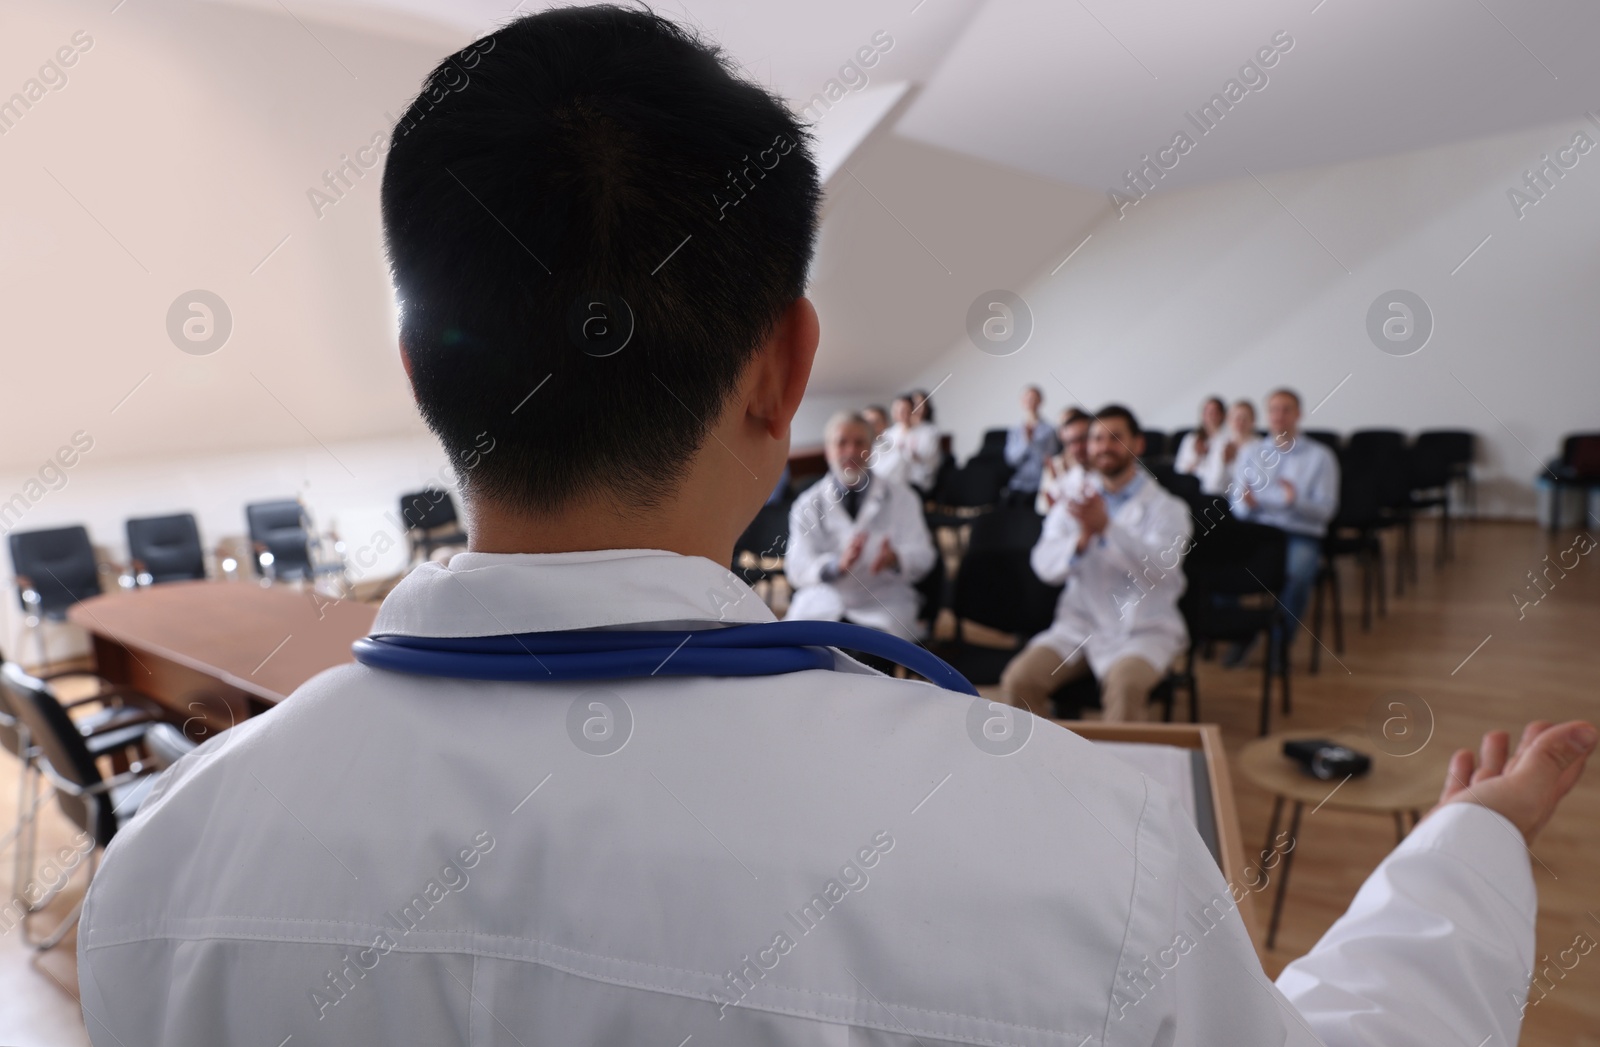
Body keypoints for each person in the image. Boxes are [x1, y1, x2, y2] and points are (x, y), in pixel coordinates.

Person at [76, 9, 1594, 1047]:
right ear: (790, 372)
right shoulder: (1076, 852)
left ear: (422, 379)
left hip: (1123, 631)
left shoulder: (163, 868)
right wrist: (1466, 847)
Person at [1000, 405, 1192, 722]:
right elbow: (1043, 565)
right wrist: (1080, 541)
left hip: (1142, 630)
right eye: (1097, 438)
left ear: (1138, 444)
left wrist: (1107, 529)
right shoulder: (1074, 502)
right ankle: (1035, 767)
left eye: (1116, 438)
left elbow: (1160, 569)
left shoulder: (1168, 509)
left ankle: (1119, 772)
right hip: (1079, 626)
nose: (1104, 446)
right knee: (1019, 681)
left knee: (1126, 688)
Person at [783, 412, 935, 641]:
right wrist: (835, 566)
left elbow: (925, 556)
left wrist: (895, 558)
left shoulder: (903, 497)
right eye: (841, 442)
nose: (851, 451)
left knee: (875, 658)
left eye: (859, 442)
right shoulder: (807, 504)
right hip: (824, 599)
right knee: (799, 652)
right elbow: (796, 566)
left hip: (883, 598)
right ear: (828, 449)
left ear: (871, 448)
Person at [1227, 388, 1339, 665]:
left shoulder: (1320, 456)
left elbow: (1325, 511)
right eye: (1274, 410)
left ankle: (1280, 641)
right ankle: (1243, 634)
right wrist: (1248, 504)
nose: (1279, 416)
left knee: (1298, 574)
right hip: (1258, 531)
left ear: (1298, 414)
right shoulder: (1251, 452)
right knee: (1216, 566)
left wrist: (1295, 501)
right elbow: (1237, 503)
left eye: (1286, 409)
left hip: (1299, 532)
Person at [1003, 384, 1061, 501]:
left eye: (1034, 398)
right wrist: (1026, 442)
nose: (1030, 402)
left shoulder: (1049, 430)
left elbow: (1049, 459)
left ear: (1040, 401)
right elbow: (1011, 460)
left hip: (1040, 484)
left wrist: (1032, 443)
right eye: (1027, 398)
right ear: (1022, 401)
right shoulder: (1015, 431)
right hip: (1018, 484)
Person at [1035, 405, 1091, 515]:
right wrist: (1054, 484)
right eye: (1063, 426)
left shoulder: (1096, 463)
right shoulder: (1054, 463)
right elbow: (1042, 507)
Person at [1173, 396, 1226, 491]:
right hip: (1192, 489)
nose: (1209, 415)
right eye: (1206, 411)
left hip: (1216, 490)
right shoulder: (1191, 439)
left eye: (1213, 412)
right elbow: (1179, 470)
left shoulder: (1227, 440)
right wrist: (1197, 458)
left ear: (1221, 415)